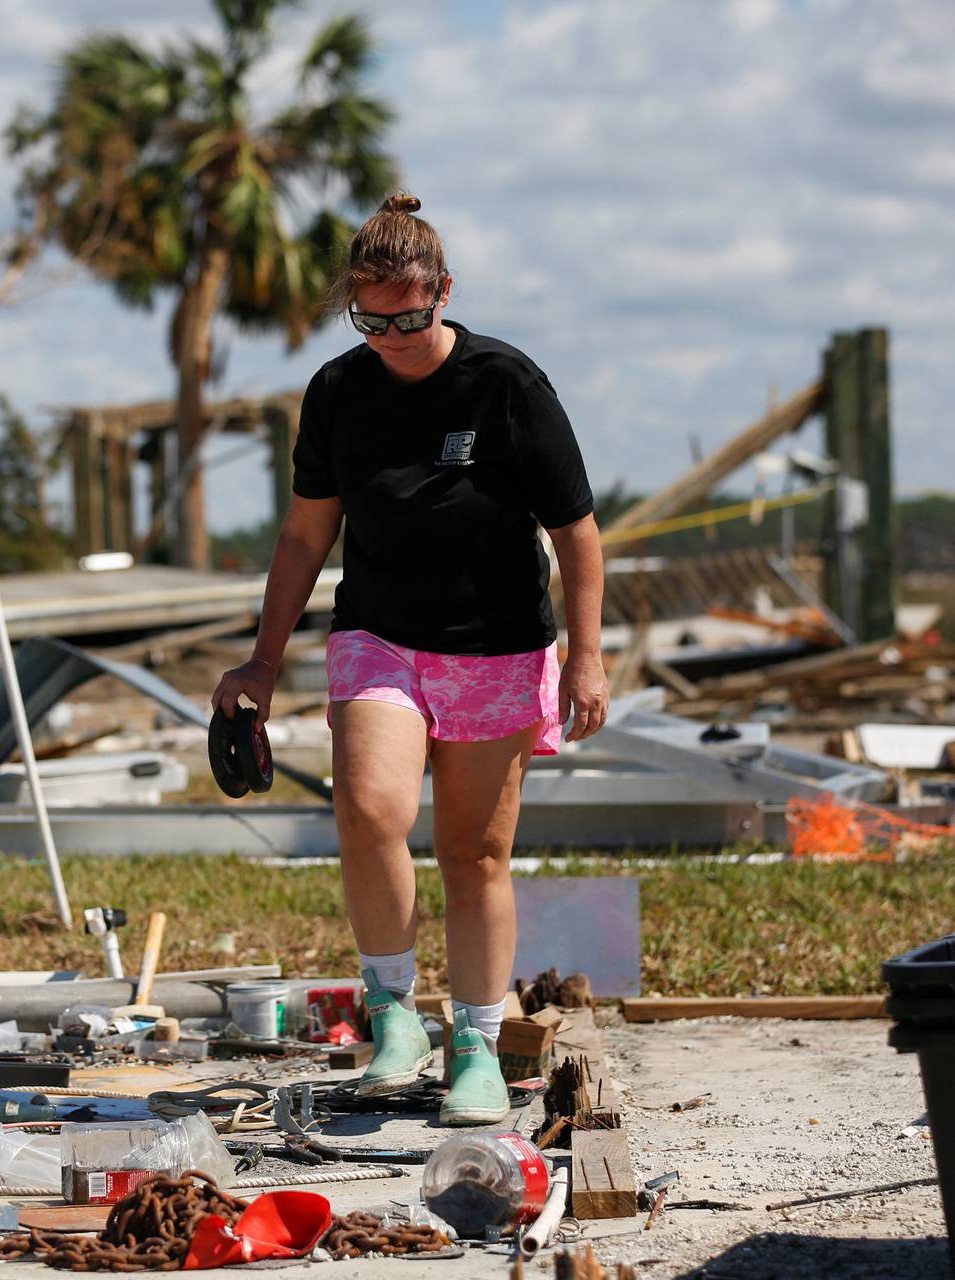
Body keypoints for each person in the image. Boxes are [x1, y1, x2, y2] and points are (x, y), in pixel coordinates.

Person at [212, 194, 607, 1125]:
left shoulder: (507, 385)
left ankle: (473, 1041)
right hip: (379, 635)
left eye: (411, 317)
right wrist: (262, 664)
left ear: (443, 294)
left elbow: (578, 536)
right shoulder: (339, 390)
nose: (392, 335)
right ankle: (393, 1014)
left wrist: (585, 659)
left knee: (475, 853)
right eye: (372, 319)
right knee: (369, 807)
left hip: (497, 646)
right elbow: (306, 536)